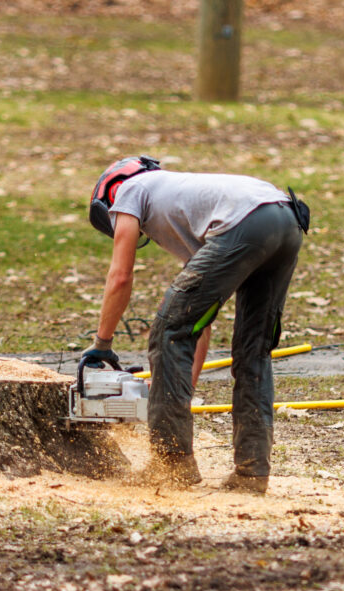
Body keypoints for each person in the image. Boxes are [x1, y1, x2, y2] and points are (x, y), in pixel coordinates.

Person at [81, 156, 307, 494]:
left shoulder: (129, 191)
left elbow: (120, 276)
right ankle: (252, 472)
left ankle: (172, 464)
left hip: (248, 221)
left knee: (167, 329)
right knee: (253, 350)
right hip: (286, 218)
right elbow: (199, 317)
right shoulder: (186, 203)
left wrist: (101, 344)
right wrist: (182, 391)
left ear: (109, 193)